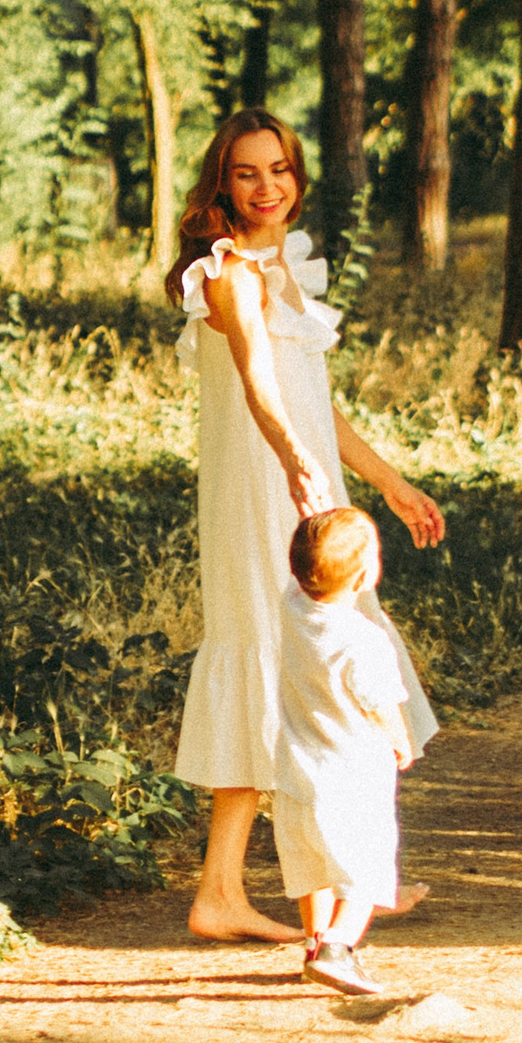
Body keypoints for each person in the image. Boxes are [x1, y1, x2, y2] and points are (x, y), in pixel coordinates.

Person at [166, 108, 443, 943]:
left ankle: (330, 870)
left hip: (305, 474)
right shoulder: (227, 273)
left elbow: (316, 402)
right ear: (222, 183)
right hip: (263, 486)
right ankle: (231, 891)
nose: (267, 187)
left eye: (279, 169)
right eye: (247, 173)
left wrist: (391, 483)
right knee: (275, 659)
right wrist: (291, 459)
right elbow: (257, 380)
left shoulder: (285, 265)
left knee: (324, 662)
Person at [274, 508, 416, 995]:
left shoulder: (291, 610)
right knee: (366, 873)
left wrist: (310, 523)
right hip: (351, 780)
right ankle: (338, 949)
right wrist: (400, 739)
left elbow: (304, 570)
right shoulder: (363, 640)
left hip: (296, 775)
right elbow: (380, 704)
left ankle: (314, 945)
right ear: (364, 574)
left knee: (312, 868)